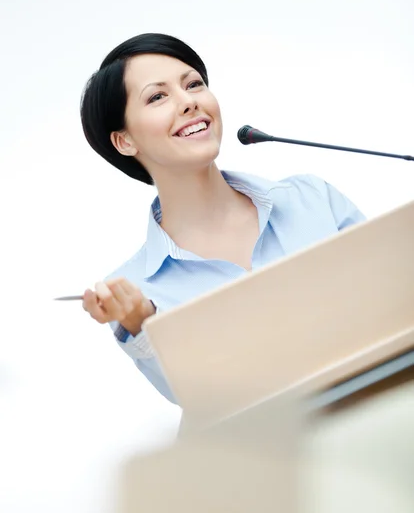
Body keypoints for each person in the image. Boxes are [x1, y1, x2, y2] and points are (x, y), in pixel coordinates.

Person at [80, 32, 366, 405]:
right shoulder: (131, 292)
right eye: (157, 96)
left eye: (194, 84)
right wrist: (141, 323)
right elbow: (202, 400)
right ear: (125, 141)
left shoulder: (312, 200)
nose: (188, 102)